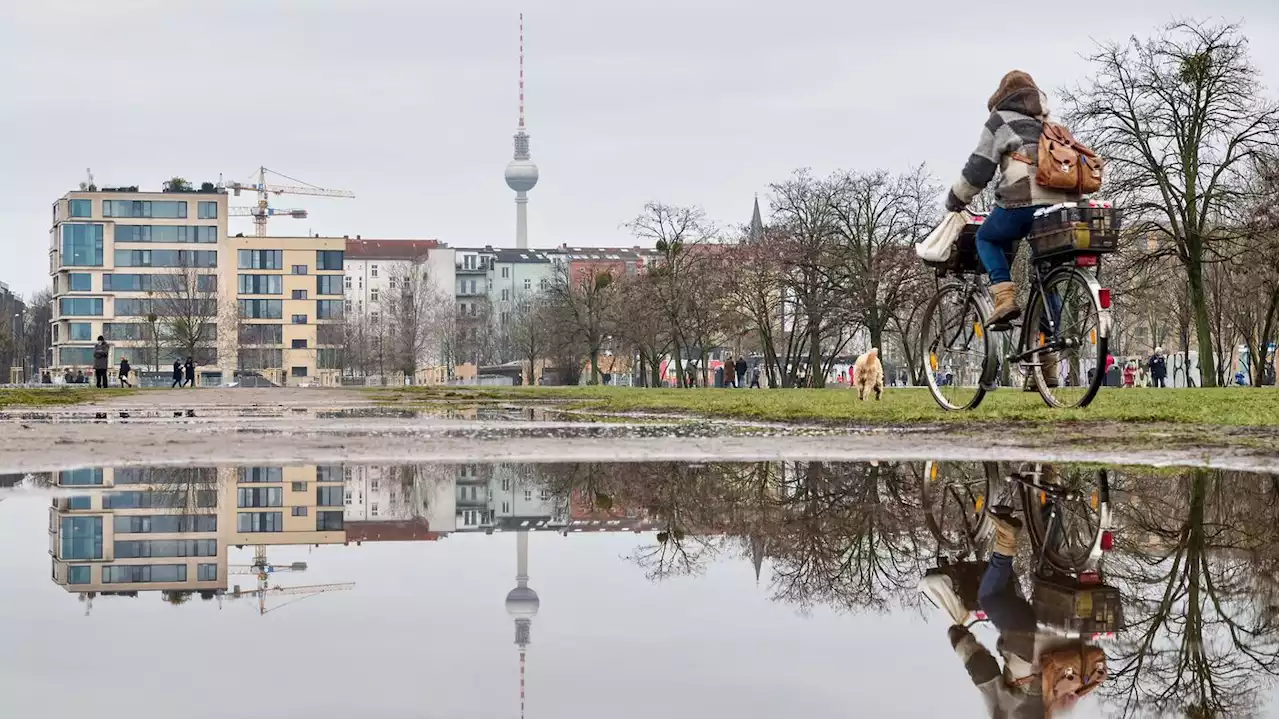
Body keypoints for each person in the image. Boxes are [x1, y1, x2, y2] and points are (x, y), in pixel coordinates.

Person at [946, 70, 1083, 386]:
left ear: (1002, 96)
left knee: (987, 237)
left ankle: (1004, 298)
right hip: (1060, 209)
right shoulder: (1049, 123)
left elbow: (978, 169)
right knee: (1047, 279)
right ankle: (1046, 369)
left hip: (1022, 203)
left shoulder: (1000, 120)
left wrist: (956, 198)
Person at [920, 507, 1107, 716]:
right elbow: (983, 671)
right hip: (1027, 645)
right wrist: (958, 638)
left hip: (1069, 638)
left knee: (1047, 575)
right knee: (990, 597)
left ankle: (1049, 500)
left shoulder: (1057, 712)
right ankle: (1005, 539)